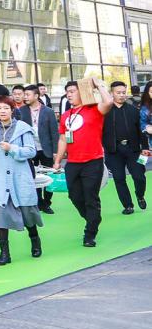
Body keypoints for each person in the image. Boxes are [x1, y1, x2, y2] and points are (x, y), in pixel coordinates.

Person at [53, 78, 116, 246]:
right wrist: (57, 160)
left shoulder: (95, 109)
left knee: (90, 197)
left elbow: (109, 102)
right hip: (72, 163)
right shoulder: (66, 115)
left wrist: (98, 85)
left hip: (93, 161)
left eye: (72, 91)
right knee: (74, 196)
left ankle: (90, 234)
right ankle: (93, 219)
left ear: (82, 92)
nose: (69, 95)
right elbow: (63, 139)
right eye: (67, 92)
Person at [0, 93, 42, 264]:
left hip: (20, 177)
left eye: (6, 108)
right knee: (1, 214)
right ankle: (4, 253)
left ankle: (35, 240)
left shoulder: (23, 128)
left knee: (28, 214)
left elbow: (31, 151)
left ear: (12, 110)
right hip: (0, 177)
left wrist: (12, 148)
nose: (2, 111)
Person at [102, 80, 147, 214]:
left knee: (139, 177)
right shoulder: (105, 112)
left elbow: (141, 131)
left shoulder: (134, 110)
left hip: (134, 150)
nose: (122, 95)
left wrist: (145, 148)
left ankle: (140, 195)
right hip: (113, 151)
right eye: (118, 93)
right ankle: (128, 205)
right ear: (111, 93)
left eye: (123, 92)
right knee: (119, 178)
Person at [15, 84, 59, 214]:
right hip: (29, 149)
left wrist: (56, 151)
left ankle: (47, 202)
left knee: (49, 176)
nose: (25, 97)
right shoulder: (21, 111)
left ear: (36, 96)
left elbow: (54, 132)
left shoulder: (48, 111)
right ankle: (39, 201)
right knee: (33, 176)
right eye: (24, 94)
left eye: (27, 95)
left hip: (46, 149)